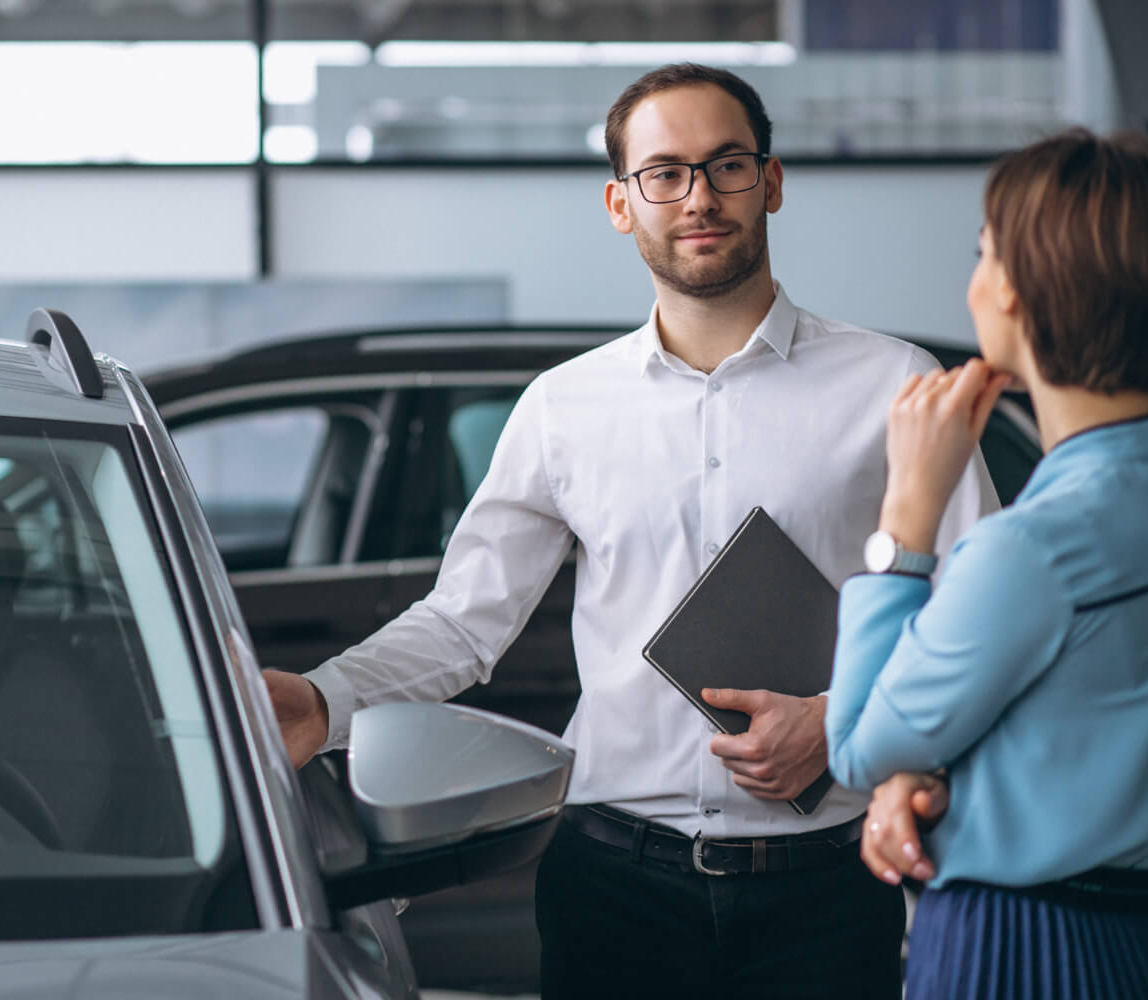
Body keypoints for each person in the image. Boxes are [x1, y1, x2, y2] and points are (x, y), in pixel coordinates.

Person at [266, 63, 997, 998]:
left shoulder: (891, 383)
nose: (698, 196)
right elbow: (462, 622)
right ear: (621, 202)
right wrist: (324, 701)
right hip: (612, 887)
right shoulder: (563, 408)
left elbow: (978, 618)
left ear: (771, 182)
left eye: (727, 165)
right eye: (665, 172)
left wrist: (842, 720)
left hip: (828, 885)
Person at [826, 127, 1148, 998]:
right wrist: (942, 771)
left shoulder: (1033, 546)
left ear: (1017, 291)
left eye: (983, 252)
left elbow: (861, 743)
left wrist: (908, 514)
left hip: (1025, 944)